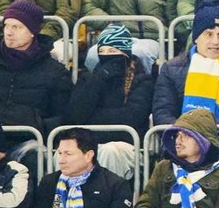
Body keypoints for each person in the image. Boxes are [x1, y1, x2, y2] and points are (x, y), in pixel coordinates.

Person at [0, 0, 72, 131]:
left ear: (33, 31)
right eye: (6, 25)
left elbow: (62, 117)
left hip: (31, 141)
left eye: (17, 27)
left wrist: (37, 126)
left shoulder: (55, 72)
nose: (8, 32)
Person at [153, 5, 219, 136]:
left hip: (218, 138)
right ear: (196, 37)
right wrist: (184, 133)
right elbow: (162, 112)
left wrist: (205, 133)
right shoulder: (171, 68)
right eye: (209, 34)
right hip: (178, 139)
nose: (216, 41)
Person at [64, 27, 156, 166]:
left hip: (126, 145)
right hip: (88, 142)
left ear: (125, 52)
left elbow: (131, 117)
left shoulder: (142, 80)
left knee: (108, 151)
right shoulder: (88, 78)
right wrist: (99, 79)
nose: (106, 55)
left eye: (112, 51)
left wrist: (91, 118)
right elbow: (74, 115)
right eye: (101, 51)